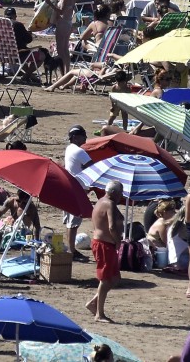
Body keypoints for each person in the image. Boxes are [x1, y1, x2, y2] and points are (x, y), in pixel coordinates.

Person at [87, 180, 122, 323]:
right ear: (114, 193)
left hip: (101, 242)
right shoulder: (110, 204)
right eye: (120, 193)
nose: (121, 196)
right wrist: (118, 241)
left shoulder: (101, 201)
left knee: (114, 278)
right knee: (106, 279)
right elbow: (112, 226)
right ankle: (99, 314)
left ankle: (93, 302)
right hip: (104, 243)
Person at [63, 125, 91, 262]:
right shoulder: (80, 152)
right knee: (74, 222)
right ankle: (72, 251)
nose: (85, 137)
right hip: (77, 190)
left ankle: (71, 249)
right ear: (75, 137)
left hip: (70, 188)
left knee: (70, 222)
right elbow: (92, 168)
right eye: (83, 135)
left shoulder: (69, 149)